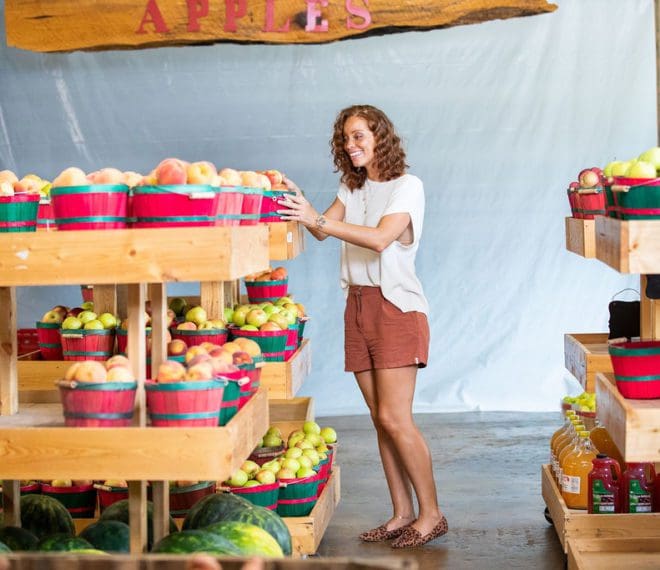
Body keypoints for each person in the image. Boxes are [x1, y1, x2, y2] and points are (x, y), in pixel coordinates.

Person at [277, 104, 447, 549]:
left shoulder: (407, 187)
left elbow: (378, 239)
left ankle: (432, 514)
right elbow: (320, 229)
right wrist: (300, 202)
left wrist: (318, 219)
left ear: (379, 138)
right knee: (380, 419)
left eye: (358, 137)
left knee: (396, 417)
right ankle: (402, 512)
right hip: (357, 305)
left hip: (395, 308)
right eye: (345, 139)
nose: (350, 146)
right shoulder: (352, 188)